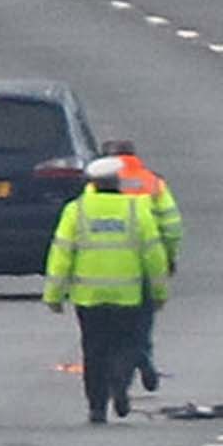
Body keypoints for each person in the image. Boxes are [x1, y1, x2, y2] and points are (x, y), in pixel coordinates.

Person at [42, 167, 166, 419]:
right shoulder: (135, 210)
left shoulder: (76, 211)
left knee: (94, 350)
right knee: (125, 344)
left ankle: (97, 407)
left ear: (92, 184)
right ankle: (120, 384)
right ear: (118, 183)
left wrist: (54, 295)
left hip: (89, 296)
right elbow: (153, 255)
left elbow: (61, 255)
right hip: (127, 294)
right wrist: (158, 291)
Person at [103, 137, 180, 388]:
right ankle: (143, 358)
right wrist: (169, 256)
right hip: (145, 262)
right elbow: (171, 226)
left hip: (106, 264)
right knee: (141, 322)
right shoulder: (152, 182)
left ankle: (120, 379)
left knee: (112, 330)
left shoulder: (99, 186)